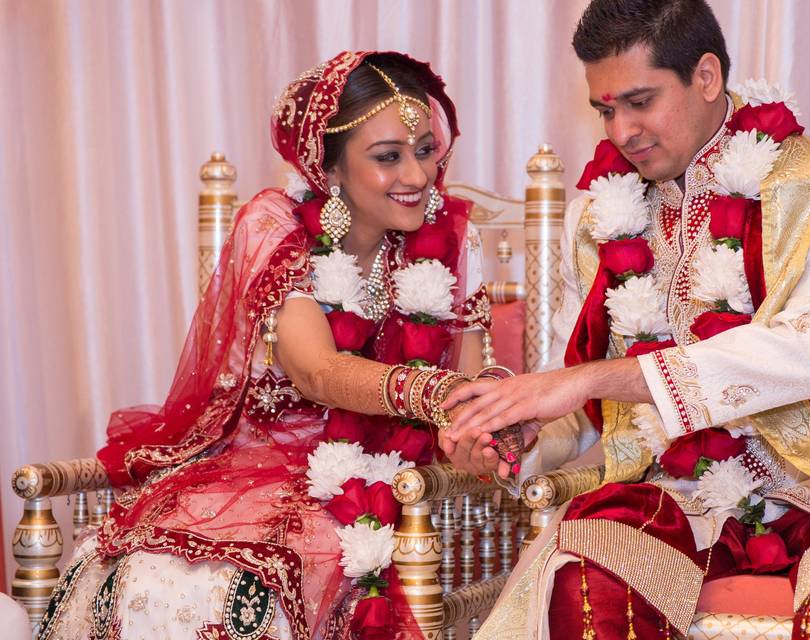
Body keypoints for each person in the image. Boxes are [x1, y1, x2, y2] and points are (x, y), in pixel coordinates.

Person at [440, 2, 810, 638]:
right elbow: (573, 394)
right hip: (669, 490)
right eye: (606, 110)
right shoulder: (596, 217)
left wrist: (594, 380)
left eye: (640, 101)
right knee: (585, 592)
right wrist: (520, 434)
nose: (622, 130)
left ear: (706, 77)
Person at [37, 51, 492, 640]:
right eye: (388, 158)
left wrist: (481, 432)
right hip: (260, 464)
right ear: (327, 166)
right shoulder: (275, 225)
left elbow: (474, 391)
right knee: (165, 577)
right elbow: (318, 374)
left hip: (399, 479)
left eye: (426, 150)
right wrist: (439, 391)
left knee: (267, 584)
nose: (417, 176)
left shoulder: (457, 235)